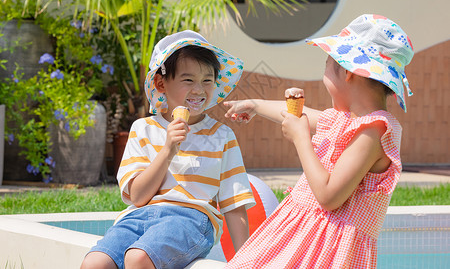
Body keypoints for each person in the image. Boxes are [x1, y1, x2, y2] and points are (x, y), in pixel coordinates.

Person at [223, 14, 414, 268]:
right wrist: (255, 105)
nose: (324, 74)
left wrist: (301, 138)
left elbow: (328, 195)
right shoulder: (345, 120)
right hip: (305, 240)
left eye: (326, 65)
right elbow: (298, 115)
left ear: (346, 71)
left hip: (329, 252)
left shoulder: (374, 131)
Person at [81, 30, 255, 269]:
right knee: (95, 263)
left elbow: (234, 205)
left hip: (191, 219)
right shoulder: (143, 129)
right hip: (137, 218)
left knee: (138, 257)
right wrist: (167, 150)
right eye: (188, 80)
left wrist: (246, 261)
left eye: (207, 80)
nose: (199, 89)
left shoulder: (221, 136)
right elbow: (138, 197)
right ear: (161, 83)